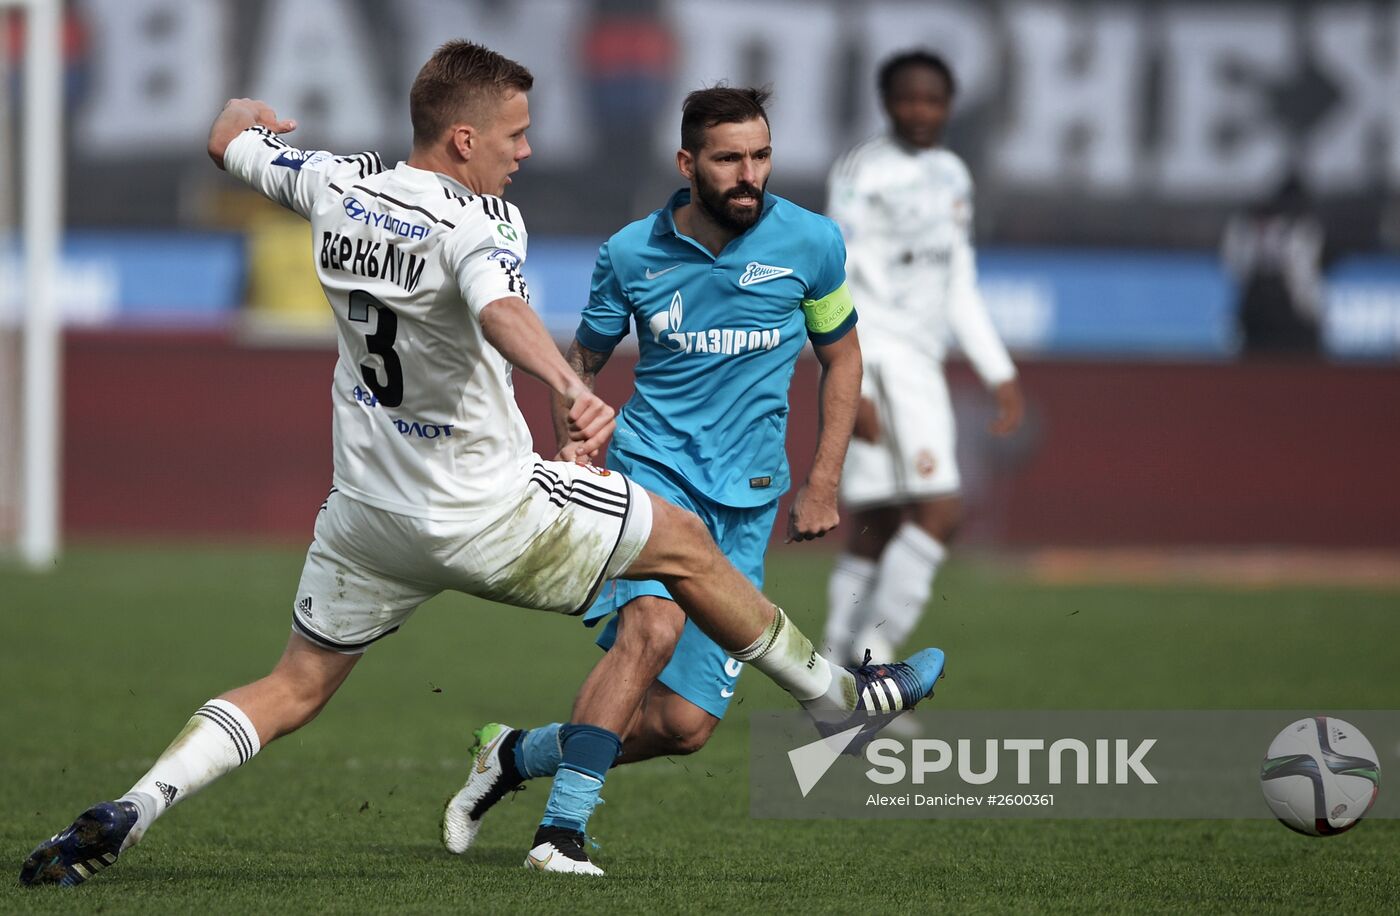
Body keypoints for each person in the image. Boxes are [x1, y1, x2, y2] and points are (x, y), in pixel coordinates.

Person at [19, 42, 944, 888]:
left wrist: (249, 114)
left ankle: (131, 810)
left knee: (294, 686)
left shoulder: (335, 182)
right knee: (689, 548)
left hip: (368, 519)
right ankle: (832, 704)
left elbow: (227, 136)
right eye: (516, 134)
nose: (527, 151)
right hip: (491, 508)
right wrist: (567, 384)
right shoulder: (481, 222)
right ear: (463, 140)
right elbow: (501, 309)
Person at [440, 86, 866, 875]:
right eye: (730, 158)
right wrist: (572, 440)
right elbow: (582, 362)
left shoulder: (813, 243)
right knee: (653, 630)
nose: (750, 174)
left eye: (761, 156)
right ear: (687, 163)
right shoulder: (631, 253)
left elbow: (843, 356)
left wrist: (824, 478)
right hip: (651, 476)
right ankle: (559, 834)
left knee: (682, 726)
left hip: (747, 501)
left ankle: (514, 755)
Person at [822, 50, 1023, 678]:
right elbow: (833, 278)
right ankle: (865, 661)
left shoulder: (953, 175)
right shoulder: (862, 171)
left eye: (932, 99)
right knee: (918, 515)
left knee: (899, 520)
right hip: (875, 359)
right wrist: (851, 384)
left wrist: (998, 370)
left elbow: (957, 280)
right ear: (886, 104)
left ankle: (843, 666)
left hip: (923, 363)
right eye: (907, 98)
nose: (920, 110)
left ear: (949, 105)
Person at [1221, 174, 1326, 356]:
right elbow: (1302, 275)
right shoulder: (1301, 227)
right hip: (1286, 311)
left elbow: (1231, 264)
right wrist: (1312, 312)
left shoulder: (1247, 221)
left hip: (1256, 303)